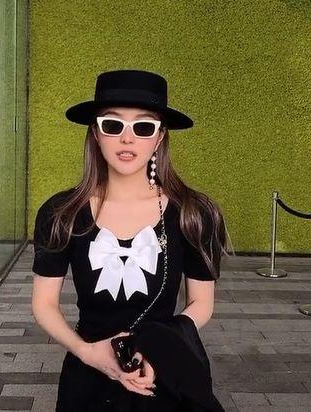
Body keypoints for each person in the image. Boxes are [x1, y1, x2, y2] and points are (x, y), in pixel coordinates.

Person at [31, 69, 231, 411]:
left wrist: (159, 349)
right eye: (113, 124)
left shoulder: (194, 213)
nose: (127, 138)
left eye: (143, 127)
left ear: (160, 136)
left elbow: (201, 303)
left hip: (160, 375)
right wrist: (87, 352)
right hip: (86, 381)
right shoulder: (60, 212)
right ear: (96, 133)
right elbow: (44, 303)